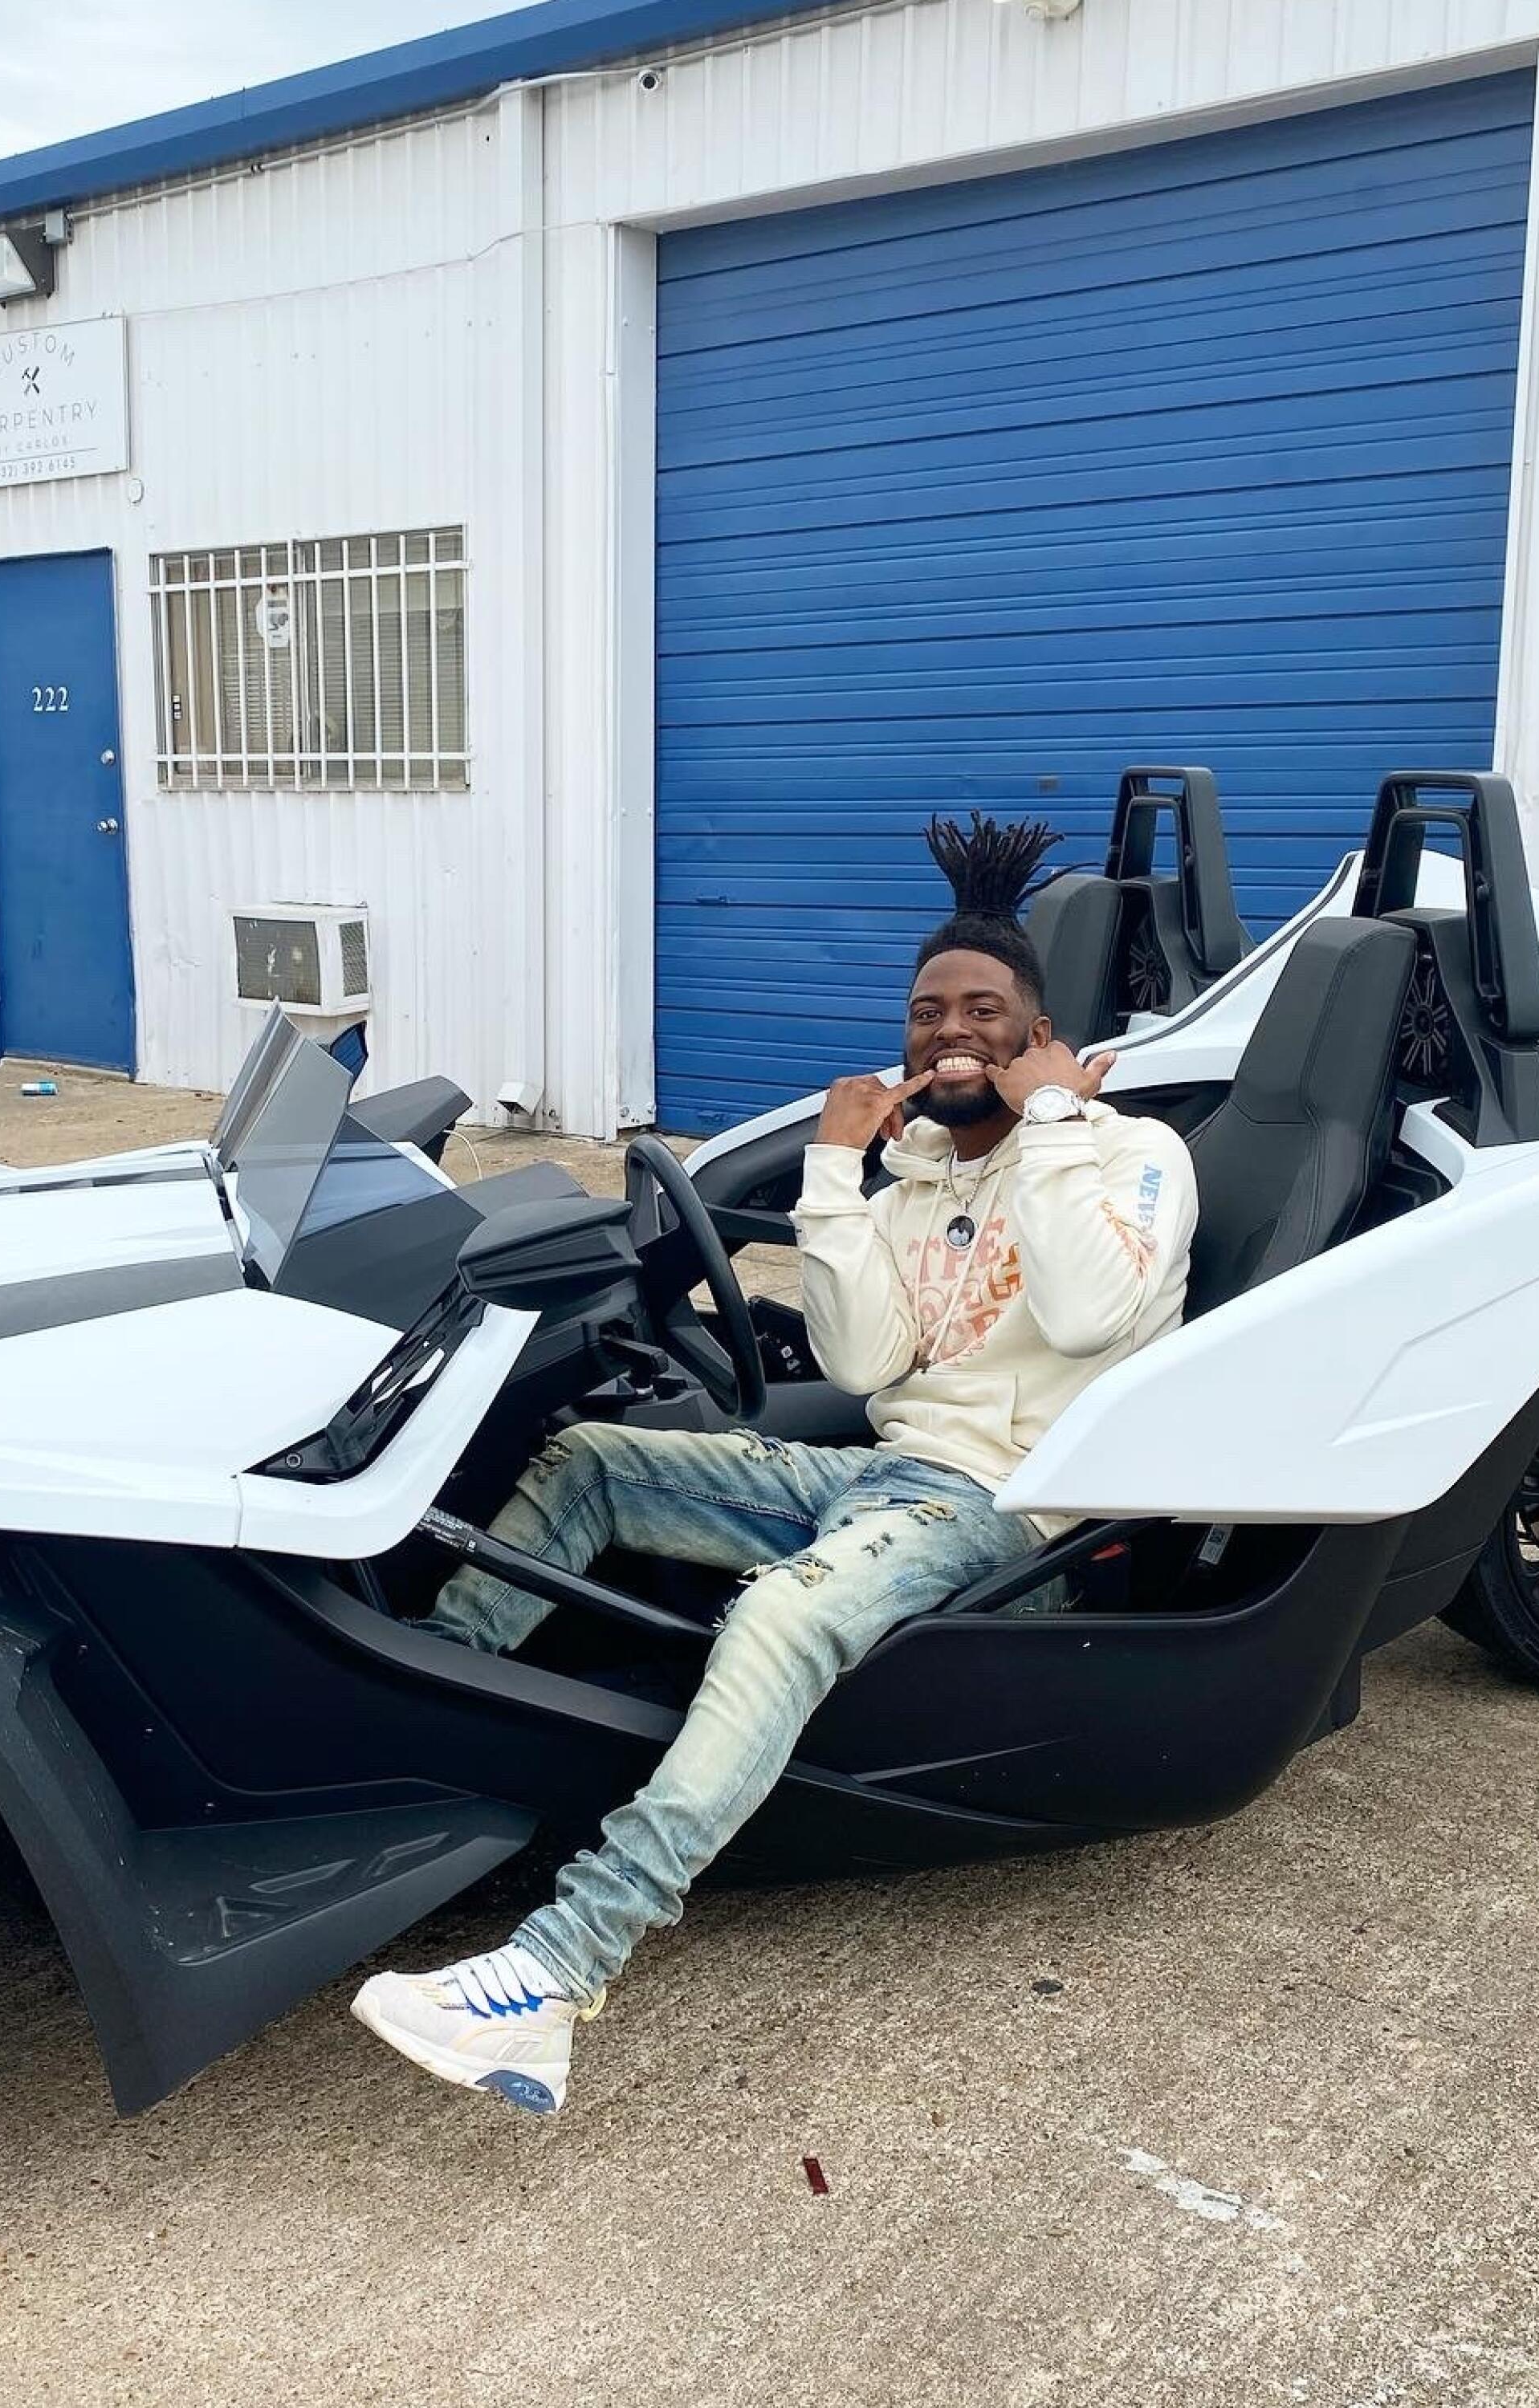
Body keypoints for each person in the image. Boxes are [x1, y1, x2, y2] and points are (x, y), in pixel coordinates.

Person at [352, 814, 1199, 2114]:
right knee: (593, 1461)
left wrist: (1055, 1119)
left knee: (780, 1617)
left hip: (1018, 1514)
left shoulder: (1135, 1157)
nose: (951, 1032)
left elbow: (1089, 1314)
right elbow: (865, 1364)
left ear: (1038, 1034)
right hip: (889, 1478)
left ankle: (555, 1977)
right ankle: (406, 1743)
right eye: (927, 1013)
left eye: (985, 1012)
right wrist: (837, 1172)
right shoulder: (912, 1184)